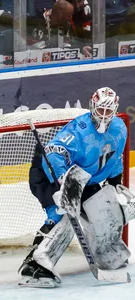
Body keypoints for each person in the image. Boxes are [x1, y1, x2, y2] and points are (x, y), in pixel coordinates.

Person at [19, 86, 132, 287]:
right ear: (92, 107)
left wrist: (115, 186)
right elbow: (53, 154)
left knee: (105, 207)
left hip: (84, 178)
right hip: (49, 173)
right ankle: (35, 266)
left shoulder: (119, 128)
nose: (104, 116)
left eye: (108, 111)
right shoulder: (79, 129)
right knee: (63, 214)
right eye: (100, 110)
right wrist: (64, 183)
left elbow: (115, 160)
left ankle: (107, 254)